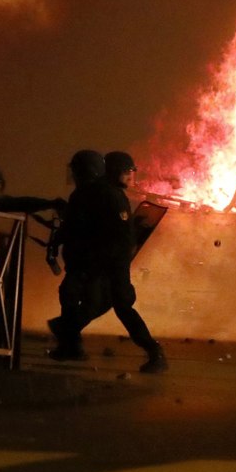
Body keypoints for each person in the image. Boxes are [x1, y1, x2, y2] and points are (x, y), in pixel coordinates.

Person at [48, 149, 167, 373]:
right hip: (96, 263)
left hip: (106, 265)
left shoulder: (105, 194)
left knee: (118, 305)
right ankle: (69, 342)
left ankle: (154, 352)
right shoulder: (94, 194)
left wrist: (105, 267)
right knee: (83, 299)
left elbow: (120, 238)